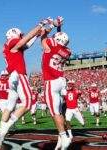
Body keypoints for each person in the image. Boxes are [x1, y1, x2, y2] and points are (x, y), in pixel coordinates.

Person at [0, 17, 53, 149]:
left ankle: (0, 131)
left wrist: (44, 31)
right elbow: (28, 37)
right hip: (19, 75)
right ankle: (4, 129)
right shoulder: (13, 42)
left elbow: (29, 42)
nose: (21, 37)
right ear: (14, 35)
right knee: (27, 103)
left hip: (12, 78)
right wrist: (40, 24)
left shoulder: (11, 47)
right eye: (19, 35)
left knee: (10, 106)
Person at [40, 16, 71, 150]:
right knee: (58, 111)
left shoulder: (52, 45)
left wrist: (52, 25)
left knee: (54, 113)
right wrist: (59, 28)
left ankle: (64, 136)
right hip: (60, 81)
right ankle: (61, 139)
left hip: (51, 82)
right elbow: (58, 43)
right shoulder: (67, 52)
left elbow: (43, 36)